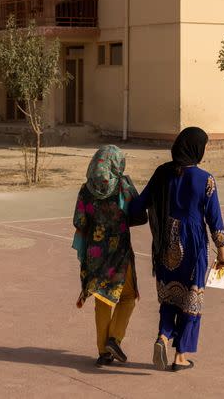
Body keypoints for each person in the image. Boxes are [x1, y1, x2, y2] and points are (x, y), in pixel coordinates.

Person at [130, 127, 224, 371]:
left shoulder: (162, 173)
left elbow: (140, 204)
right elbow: (214, 221)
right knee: (191, 298)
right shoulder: (205, 179)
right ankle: (180, 356)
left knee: (169, 296)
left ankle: (163, 336)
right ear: (196, 148)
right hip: (193, 243)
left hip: (165, 243)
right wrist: (223, 253)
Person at [72, 145, 146, 367]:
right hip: (120, 254)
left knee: (103, 300)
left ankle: (103, 352)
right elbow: (140, 216)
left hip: (95, 255)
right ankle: (114, 338)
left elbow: (79, 222)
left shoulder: (86, 190)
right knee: (128, 298)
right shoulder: (123, 186)